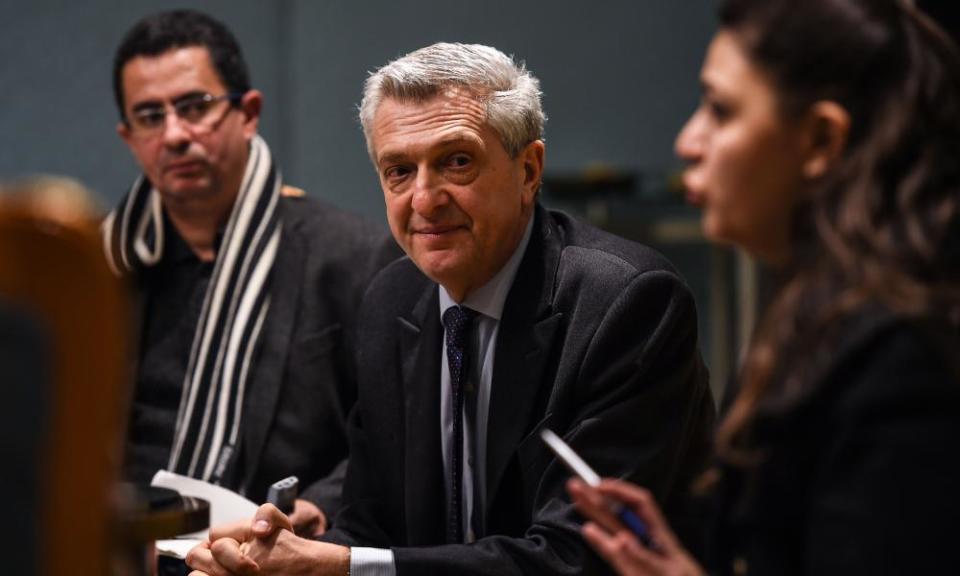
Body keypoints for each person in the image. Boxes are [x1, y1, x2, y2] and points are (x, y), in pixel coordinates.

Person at [186, 42, 716, 575]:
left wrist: (338, 566)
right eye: (398, 170)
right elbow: (372, 531)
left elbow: (579, 557)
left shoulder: (627, 304)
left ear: (529, 170)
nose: (423, 198)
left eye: (456, 162)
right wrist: (273, 560)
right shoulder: (391, 301)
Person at [567, 0, 960, 574]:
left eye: (720, 111)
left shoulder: (903, 359)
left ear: (821, 141)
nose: (687, 142)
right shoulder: (814, 317)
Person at [103, 9, 397, 538]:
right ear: (128, 136)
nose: (173, 134)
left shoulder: (351, 256)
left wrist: (322, 504)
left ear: (249, 113)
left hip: (268, 548)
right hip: (117, 547)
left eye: (195, 107)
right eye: (150, 116)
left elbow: (395, 434)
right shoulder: (102, 264)